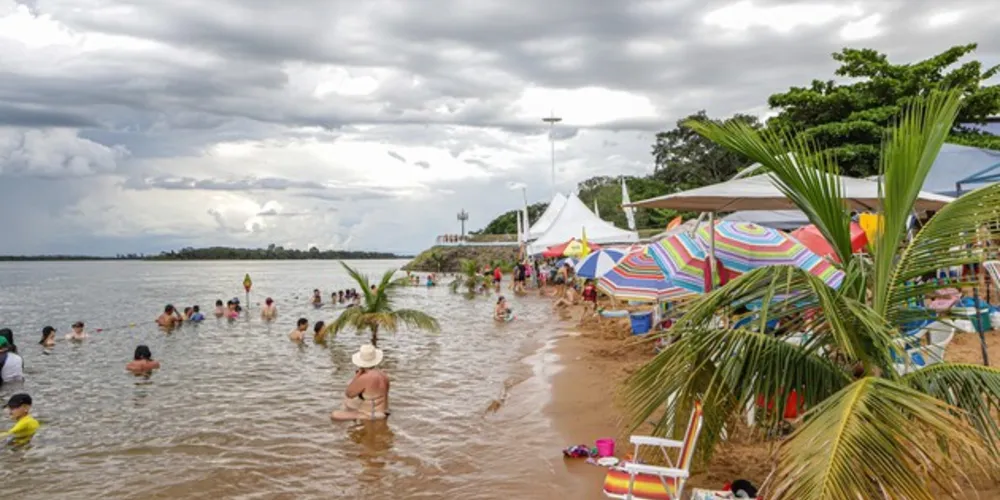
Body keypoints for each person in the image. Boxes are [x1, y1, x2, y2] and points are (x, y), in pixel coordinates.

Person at [331, 344, 390, 421]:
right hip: (383, 411)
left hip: (372, 415)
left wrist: (358, 375)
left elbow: (349, 393)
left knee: (334, 414)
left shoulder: (365, 377)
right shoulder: (383, 374)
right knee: (349, 403)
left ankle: (359, 417)